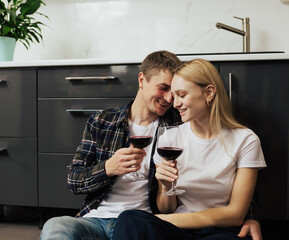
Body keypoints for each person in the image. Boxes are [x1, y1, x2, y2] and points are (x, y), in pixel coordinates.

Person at [40, 51, 263, 240]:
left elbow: (220, 160)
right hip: (98, 219)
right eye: (164, 88)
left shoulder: (176, 125)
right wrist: (109, 168)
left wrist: (249, 215)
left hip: (144, 220)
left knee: (131, 220)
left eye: (177, 93)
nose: (170, 100)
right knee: (55, 227)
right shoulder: (102, 121)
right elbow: (73, 181)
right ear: (141, 80)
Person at [113, 59, 267, 240]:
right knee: (129, 219)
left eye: (182, 95)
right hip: (178, 230)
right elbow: (166, 208)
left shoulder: (245, 140)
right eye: (174, 95)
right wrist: (165, 184)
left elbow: (235, 215)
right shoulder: (169, 138)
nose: (175, 103)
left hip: (219, 231)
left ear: (209, 92)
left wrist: (166, 219)